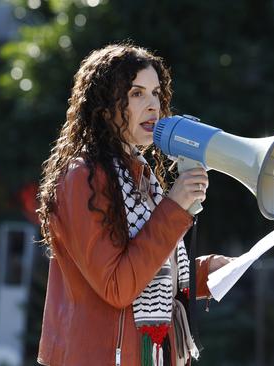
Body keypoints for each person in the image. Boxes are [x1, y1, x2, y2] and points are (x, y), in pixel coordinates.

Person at [35, 43, 232, 366]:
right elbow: (117, 286)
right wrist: (174, 208)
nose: (153, 105)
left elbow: (149, 269)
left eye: (156, 93)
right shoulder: (81, 178)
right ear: (103, 106)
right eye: (137, 93)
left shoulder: (141, 176)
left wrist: (207, 273)